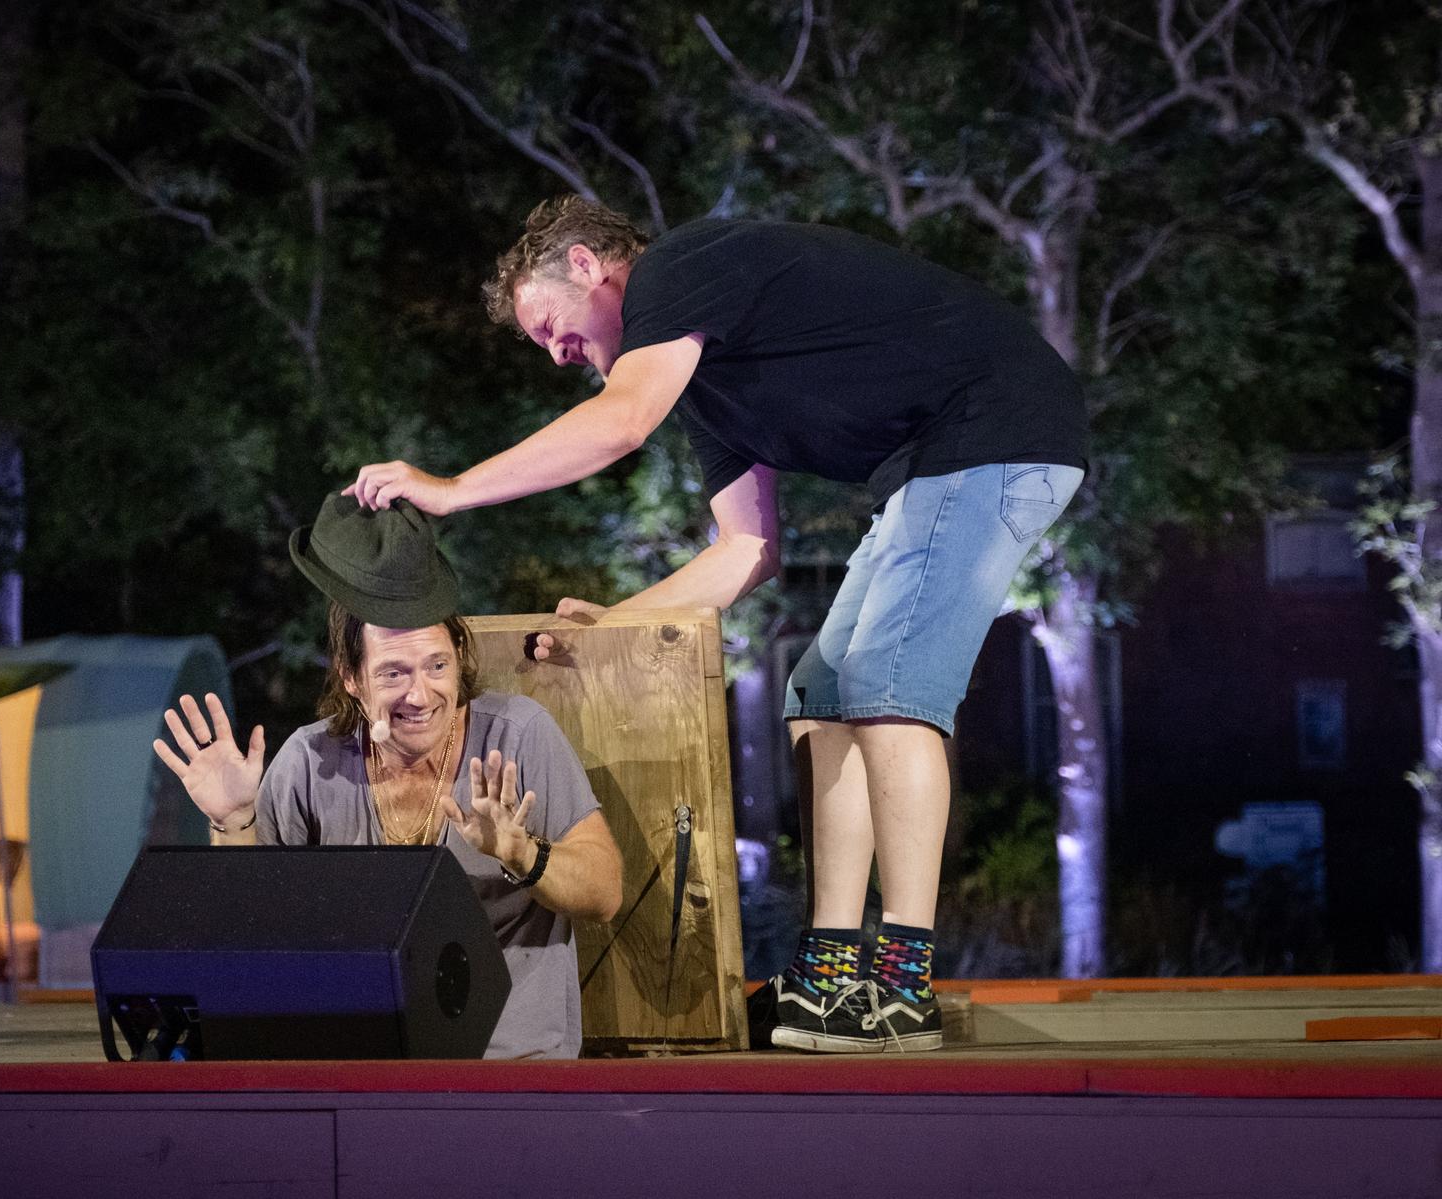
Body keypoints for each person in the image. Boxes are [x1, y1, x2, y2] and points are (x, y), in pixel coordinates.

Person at [343, 197, 1089, 1053]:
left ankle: (904, 984)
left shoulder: (681, 266)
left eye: (551, 325)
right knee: (822, 689)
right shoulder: (705, 386)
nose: (557, 353)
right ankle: (832, 974)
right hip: (932, 464)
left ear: (589, 265)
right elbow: (746, 548)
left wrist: (451, 489)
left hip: (998, 427)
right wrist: (614, 626)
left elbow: (620, 424)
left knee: (887, 687)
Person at [152, 495, 623, 1059]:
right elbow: (250, 941)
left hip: (509, 1067)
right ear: (352, 677)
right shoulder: (308, 761)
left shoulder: (517, 734)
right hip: (358, 1068)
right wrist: (233, 821)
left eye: (437, 666)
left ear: (458, 657)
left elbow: (604, 892)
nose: (420, 695)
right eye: (394, 672)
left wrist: (523, 853)